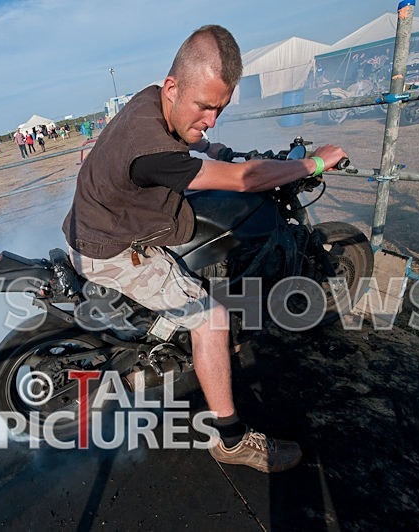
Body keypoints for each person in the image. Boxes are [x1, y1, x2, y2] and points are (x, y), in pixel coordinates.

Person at [62, 25, 347, 473]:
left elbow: (191, 140)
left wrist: (215, 146)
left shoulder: (153, 99)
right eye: (205, 107)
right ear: (175, 87)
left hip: (102, 223)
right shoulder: (151, 150)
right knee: (210, 318)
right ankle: (231, 440)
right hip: (109, 248)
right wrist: (312, 163)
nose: (211, 118)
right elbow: (242, 181)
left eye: (220, 108)